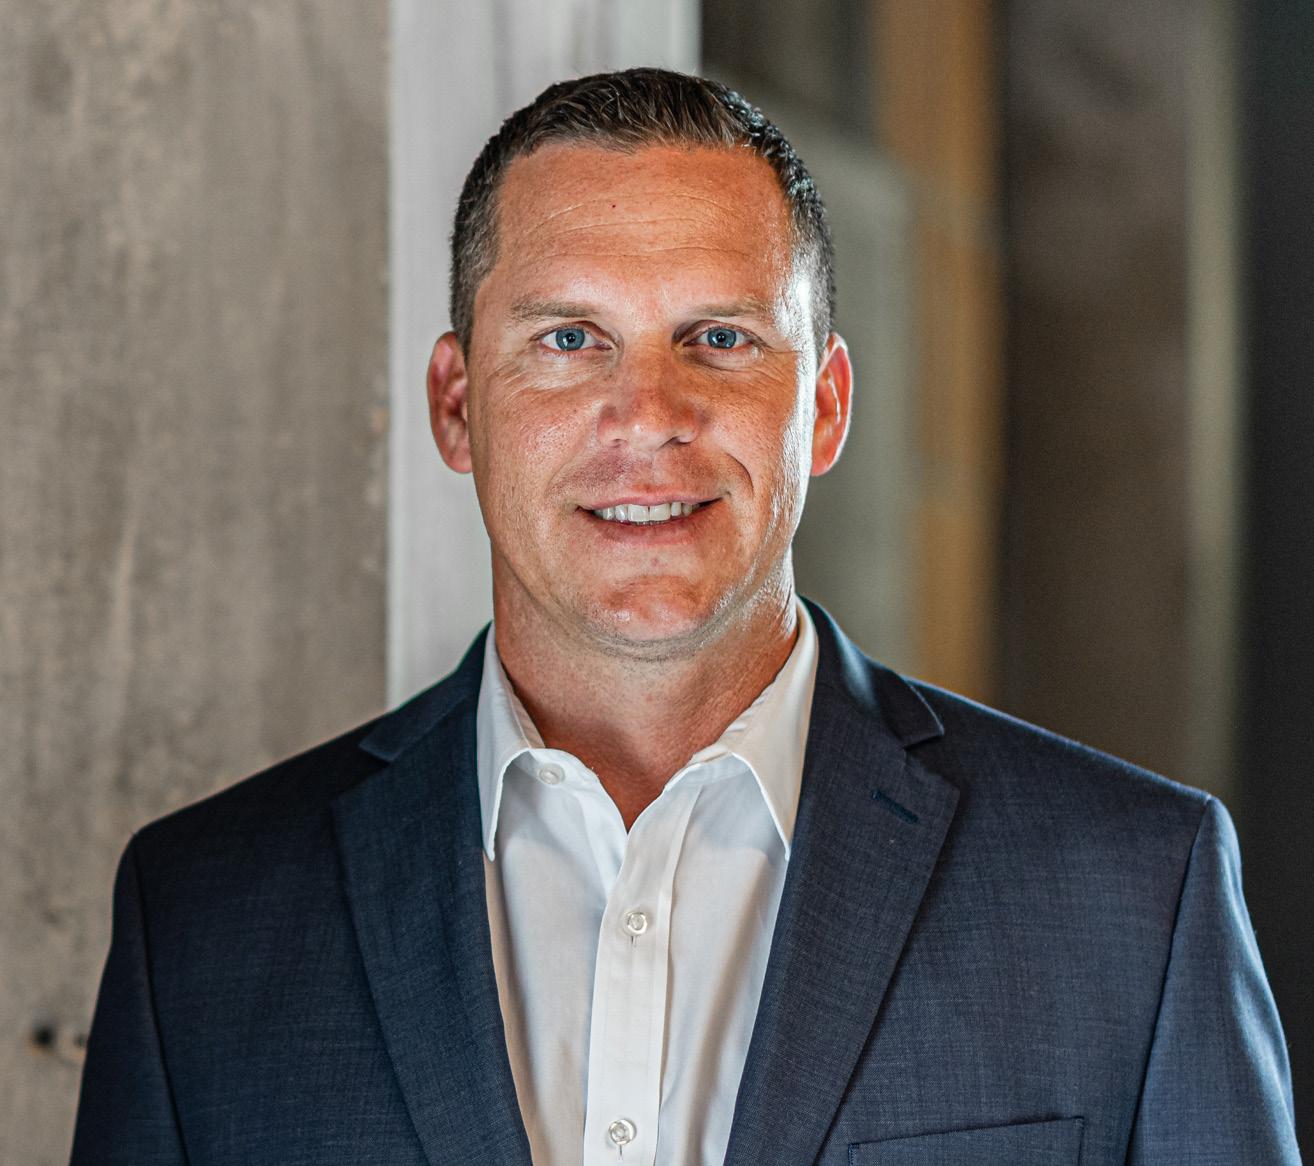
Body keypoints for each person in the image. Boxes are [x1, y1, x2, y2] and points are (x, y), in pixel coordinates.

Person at [70, 68, 1299, 1166]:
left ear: (824, 405)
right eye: (569, 338)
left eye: (719, 337)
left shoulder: (1134, 892)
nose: (649, 414)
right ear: (457, 405)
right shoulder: (205, 924)